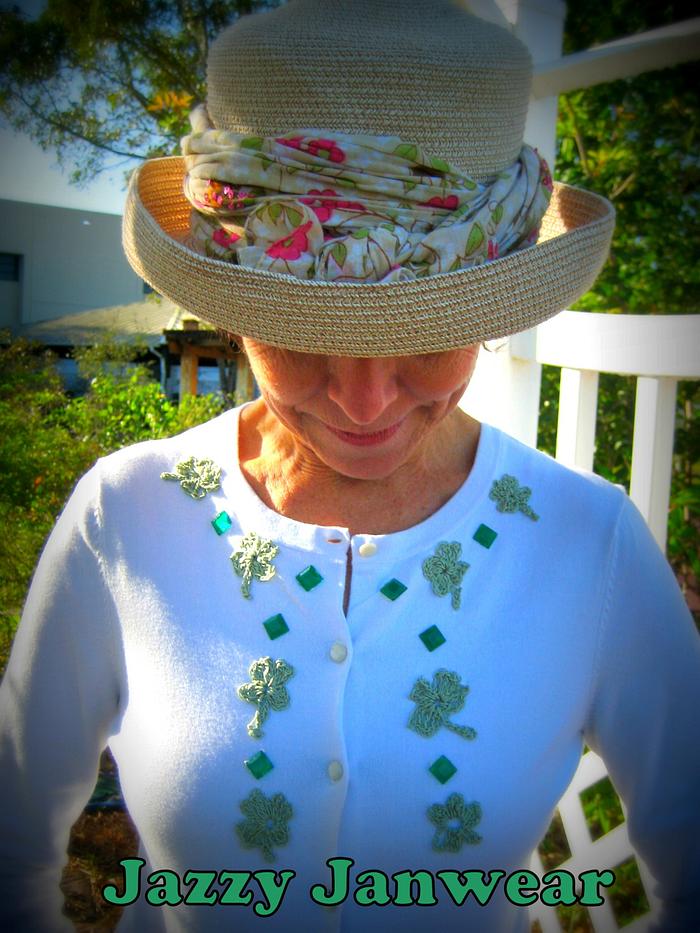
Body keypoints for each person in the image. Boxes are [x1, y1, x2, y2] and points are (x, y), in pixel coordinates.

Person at [1, 1, 698, 931]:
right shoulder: (125, 516)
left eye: (428, 329)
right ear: (229, 302)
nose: (365, 401)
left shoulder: (591, 546)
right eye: (300, 329)